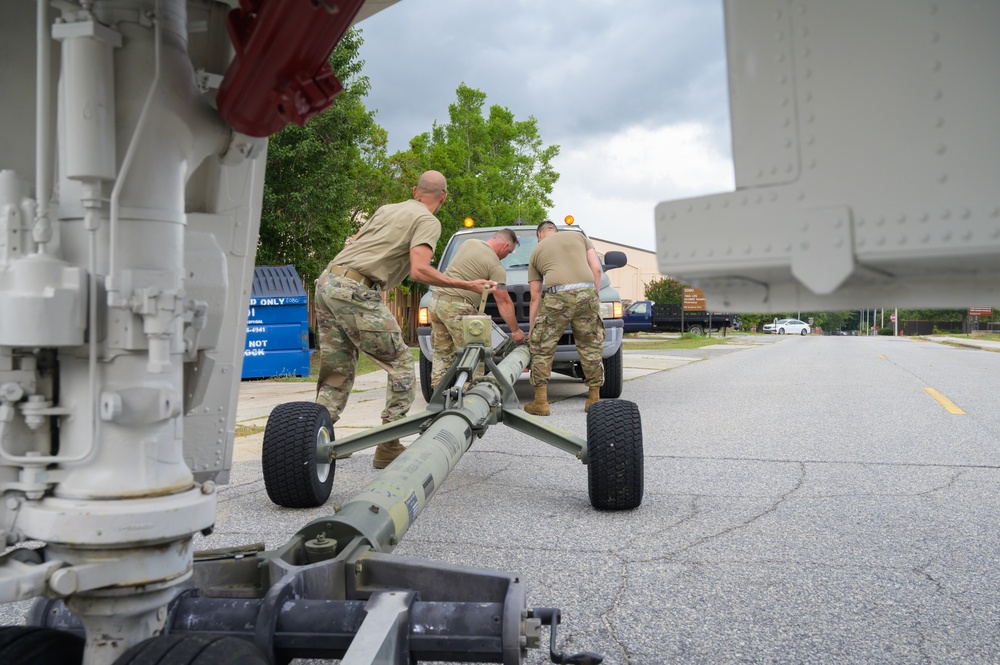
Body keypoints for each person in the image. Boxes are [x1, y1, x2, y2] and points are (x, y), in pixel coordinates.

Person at [314, 170, 496, 468]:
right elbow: (420, 271)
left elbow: (352, 242)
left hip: (327, 282)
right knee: (400, 366)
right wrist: (469, 285)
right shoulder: (428, 221)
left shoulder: (387, 210)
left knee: (339, 365)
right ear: (443, 198)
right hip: (356, 290)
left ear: (415, 190)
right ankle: (389, 444)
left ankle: (319, 436)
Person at [427, 228, 526, 390]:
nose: (505, 256)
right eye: (508, 252)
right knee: (475, 353)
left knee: (442, 353)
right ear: (505, 245)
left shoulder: (468, 243)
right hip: (458, 308)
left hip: (437, 302)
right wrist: (515, 331)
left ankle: (439, 394)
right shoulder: (495, 266)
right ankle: (472, 395)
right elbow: (504, 302)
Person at [524, 220, 605, 415]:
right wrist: (593, 297)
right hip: (588, 292)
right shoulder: (579, 236)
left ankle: (541, 403)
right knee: (590, 346)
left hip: (558, 296)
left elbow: (535, 297)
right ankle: (593, 399)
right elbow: (596, 270)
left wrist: (532, 330)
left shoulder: (537, 250)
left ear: (539, 235)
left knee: (543, 348)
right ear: (556, 231)